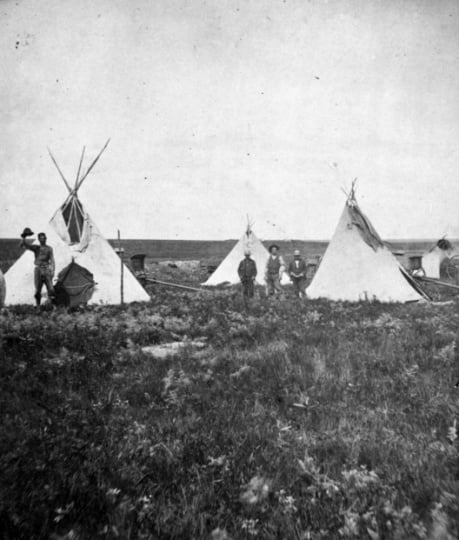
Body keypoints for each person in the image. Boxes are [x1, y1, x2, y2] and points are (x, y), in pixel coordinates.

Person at [20, 229, 55, 306]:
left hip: (46, 269)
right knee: (37, 289)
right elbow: (24, 245)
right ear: (39, 239)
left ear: (46, 238)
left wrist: (52, 270)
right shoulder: (36, 248)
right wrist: (23, 237)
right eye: (41, 238)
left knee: (51, 289)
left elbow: (52, 260)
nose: (43, 239)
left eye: (44, 238)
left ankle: (51, 305)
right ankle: (38, 306)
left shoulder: (49, 248)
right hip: (38, 269)